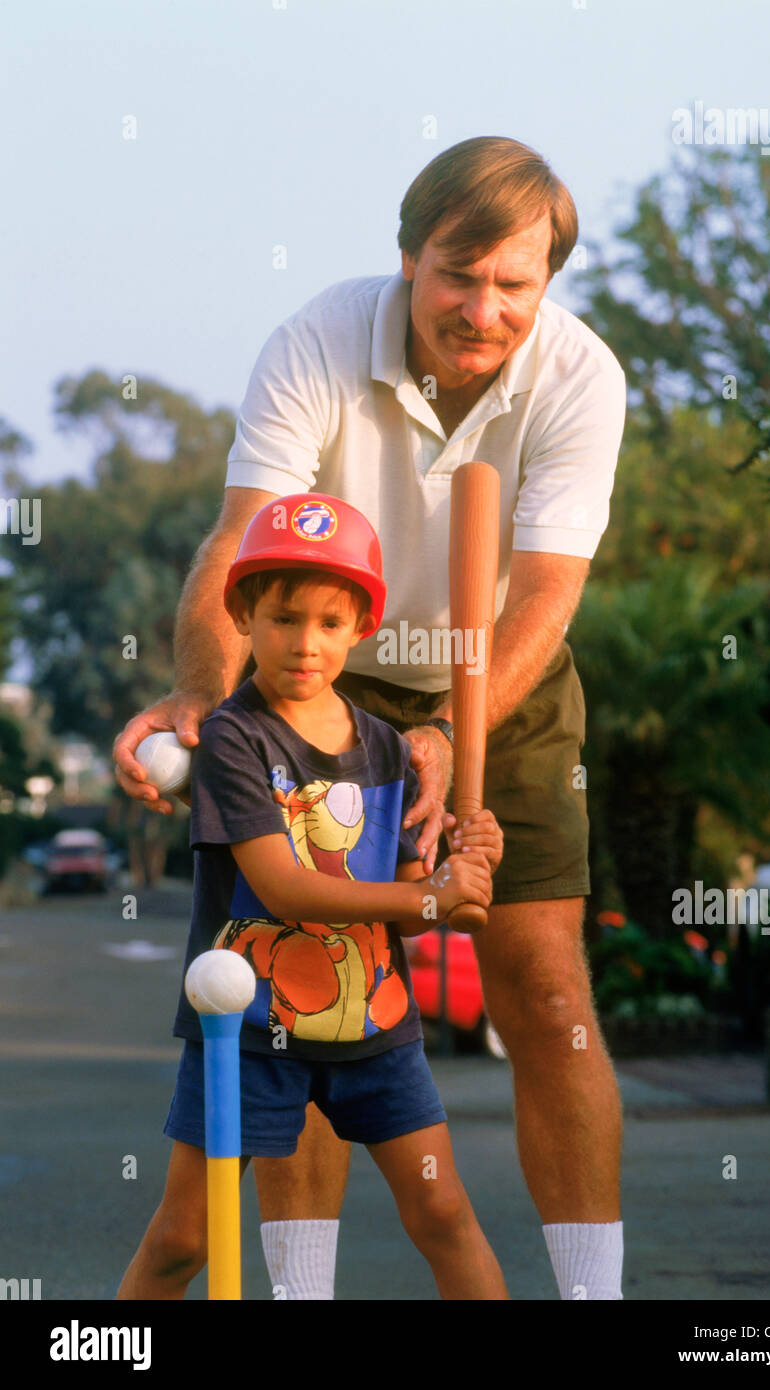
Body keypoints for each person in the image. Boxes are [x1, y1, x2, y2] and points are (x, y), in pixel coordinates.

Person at [114, 135, 627, 1301]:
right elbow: (239, 550)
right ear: (409, 257)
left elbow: (545, 594)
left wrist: (455, 725)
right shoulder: (316, 341)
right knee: (305, 979)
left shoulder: (582, 376)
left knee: (544, 987)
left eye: (514, 284)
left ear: (545, 282)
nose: (483, 308)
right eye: (459, 272)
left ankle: (595, 1300)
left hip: (502, 665)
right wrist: (207, 698)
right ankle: (301, 1294)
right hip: (315, 665)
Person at [117, 493, 508, 1300]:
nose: (305, 644)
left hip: (379, 1028)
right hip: (250, 1031)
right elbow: (285, 887)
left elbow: (413, 893)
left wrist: (467, 874)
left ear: (362, 627)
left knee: (442, 1212)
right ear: (243, 615)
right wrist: (430, 900)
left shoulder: (385, 747)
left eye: (330, 623)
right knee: (185, 1238)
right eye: (284, 618)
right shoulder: (235, 736)